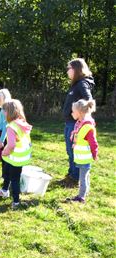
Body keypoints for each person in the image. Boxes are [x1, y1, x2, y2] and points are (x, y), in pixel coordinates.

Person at [0, 100, 32, 209]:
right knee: (8, 172)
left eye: (4, 111)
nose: (2, 113)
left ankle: (16, 202)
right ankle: (4, 190)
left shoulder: (11, 126)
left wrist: (5, 151)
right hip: (20, 156)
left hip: (15, 156)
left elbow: (12, 144)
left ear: (8, 112)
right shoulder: (21, 122)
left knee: (14, 179)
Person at [62, 58, 94, 187]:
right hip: (69, 123)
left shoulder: (82, 83)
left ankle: (74, 178)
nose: (67, 71)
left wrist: (81, 118)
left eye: (69, 68)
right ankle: (72, 174)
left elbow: (89, 101)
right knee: (70, 150)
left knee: (72, 150)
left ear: (76, 69)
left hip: (74, 124)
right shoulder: (76, 83)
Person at [66, 99, 98, 203]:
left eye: (73, 111)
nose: (71, 113)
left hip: (85, 158)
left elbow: (93, 143)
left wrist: (94, 154)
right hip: (80, 157)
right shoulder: (79, 124)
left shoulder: (87, 127)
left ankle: (81, 197)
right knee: (85, 176)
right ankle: (85, 192)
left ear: (79, 112)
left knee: (83, 178)